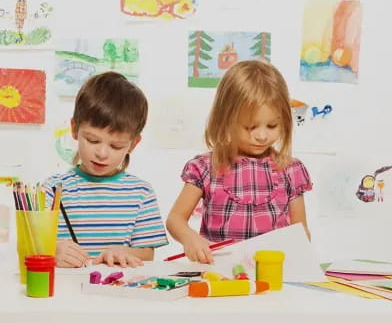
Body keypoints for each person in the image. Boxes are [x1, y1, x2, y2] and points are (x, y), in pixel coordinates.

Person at [166, 60, 312, 264]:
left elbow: (300, 231)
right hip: (218, 273)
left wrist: (298, 255)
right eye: (250, 127)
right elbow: (175, 219)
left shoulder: (291, 169)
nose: (261, 136)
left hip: (271, 274)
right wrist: (191, 239)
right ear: (226, 120)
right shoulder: (206, 167)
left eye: (272, 125)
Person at [44, 71, 168, 268]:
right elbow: (31, 245)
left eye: (116, 146)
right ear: (74, 129)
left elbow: (147, 253)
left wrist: (124, 252)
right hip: (65, 291)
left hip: (118, 290)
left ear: (133, 144)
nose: (102, 153)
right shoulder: (52, 189)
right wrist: (52, 251)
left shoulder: (141, 193)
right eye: (92, 140)